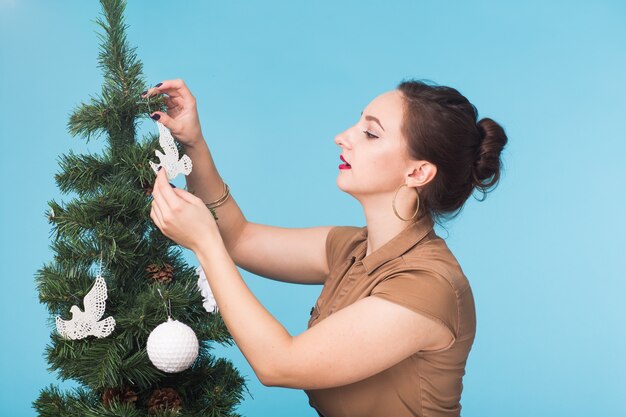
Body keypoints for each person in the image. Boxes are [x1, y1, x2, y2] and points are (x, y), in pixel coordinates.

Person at [145, 78, 508, 417]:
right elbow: (238, 238)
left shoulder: (428, 285)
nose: (341, 137)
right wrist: (193, 143)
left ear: (417, 173)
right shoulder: (352, 247)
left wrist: (205, 245)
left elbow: (279, 365)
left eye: (370, 133)